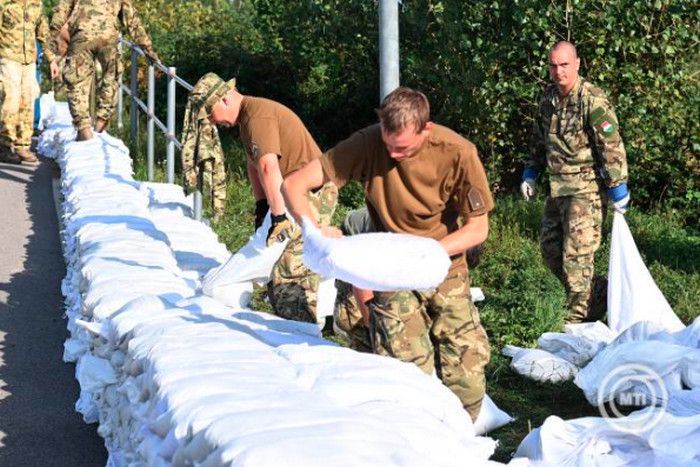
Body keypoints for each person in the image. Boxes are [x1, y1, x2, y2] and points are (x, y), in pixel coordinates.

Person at [282, 86, 493, 421]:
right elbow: (293, 185)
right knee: (405, 370)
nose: (393, 154)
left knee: (465, 372)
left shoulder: (458, 153)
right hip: (390, 269)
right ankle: (412, 439)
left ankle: (459, 441)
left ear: (426, 129)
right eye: (388, 144)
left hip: (443, 267)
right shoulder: (368, 144)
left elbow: (478, 228)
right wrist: (313, 230)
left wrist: (426, 252)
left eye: (404, 148)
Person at [183, 73, 337, 322]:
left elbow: (268, 167)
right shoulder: (248, 118)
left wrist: (277, 217)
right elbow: (254, 166)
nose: (212, 122)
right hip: (295, 193)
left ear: (223, 100)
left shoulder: (257, 117)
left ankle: (308, 328)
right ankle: (324, 313)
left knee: (286, 276)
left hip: (308, 195)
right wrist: (262, 206)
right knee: (287, 263)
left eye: (210, 115)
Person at [521, 41, 629, 324]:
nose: (559, 72)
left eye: (564, 65)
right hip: (557, 191)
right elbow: (539, 140)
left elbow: (611, 145)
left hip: (586, 193)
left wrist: (618, 188)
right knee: (550, 251)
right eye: (553, 66)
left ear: (577, 64)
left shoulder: (592, 99)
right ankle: (600, 293)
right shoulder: (548, 99)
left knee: (577, 260)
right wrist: (530, 172)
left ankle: (576, 323)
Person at [49, 0, 159, 141]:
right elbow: (131, 20)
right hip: (108, 36)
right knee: (111, 77)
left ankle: (84, 129)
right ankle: (100, 124)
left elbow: (61, 12)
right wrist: (148, 49)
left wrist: (51, 44)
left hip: (82, 35)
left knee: (77, 81)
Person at [0, 0, 57, 164]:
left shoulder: (36, 4)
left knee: (28, 99)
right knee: (10, 99)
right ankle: (5, 144)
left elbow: (43, 33)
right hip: (8, 57)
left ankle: (22, 145)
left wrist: (51, 60)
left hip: (29, 60)